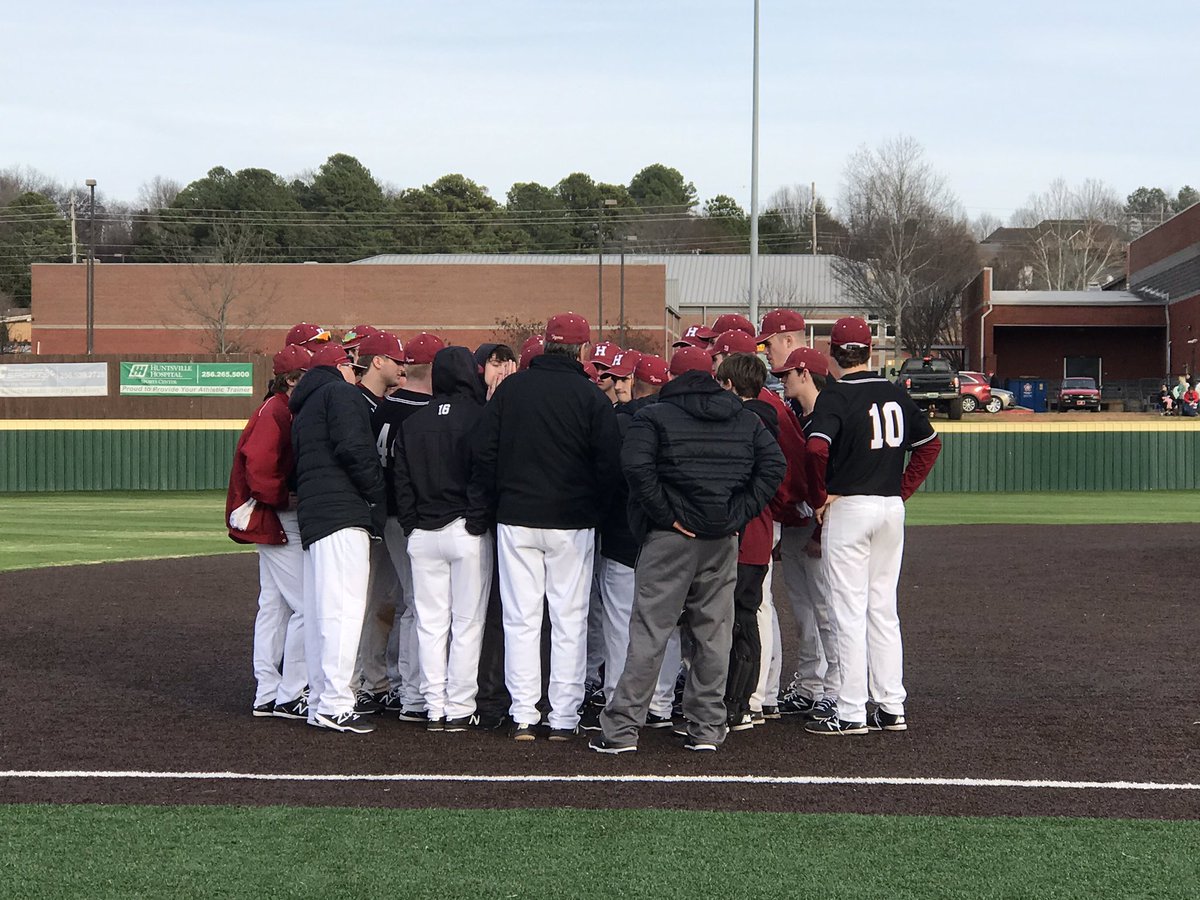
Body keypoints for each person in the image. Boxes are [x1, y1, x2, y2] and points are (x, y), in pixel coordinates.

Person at [591, 346, 786, 754]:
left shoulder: (653, 416)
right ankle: (707, 728)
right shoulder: (743, 417)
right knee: (713, 635)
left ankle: (623, 730)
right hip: (721, 539)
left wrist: (666, 513)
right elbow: (773, 467)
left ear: (669, 378)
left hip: (669, 538)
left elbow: (636, 468)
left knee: (649, 633)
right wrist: (736, 514)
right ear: (712, 378)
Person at [473, 312, 621, 741]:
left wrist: (498, 499)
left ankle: (524, 715)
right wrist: (595, 508)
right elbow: (609, 465)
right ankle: (563, 717)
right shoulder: (591, 397)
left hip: (516, 518)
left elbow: (484, 451)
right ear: (582, 350)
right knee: (569, 620)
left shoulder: (511, 390)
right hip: (571, 523)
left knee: (521, 619)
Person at [802, 317, 941, 736]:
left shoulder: (836, 395)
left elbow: (815, 448)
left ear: (832, 353)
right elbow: (930, 443)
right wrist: (901, 490)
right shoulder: (895, 392)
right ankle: (891, 705)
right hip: (888, 509)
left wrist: (818, 496)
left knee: (848, 610)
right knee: (882, 609)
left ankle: (849, 711)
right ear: (869, 352)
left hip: (850, 508)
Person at [394, 346, 492, 732]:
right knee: (466, 624)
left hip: (423, 535)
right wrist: (476, 520)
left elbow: (401, 481)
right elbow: (484, 476)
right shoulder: (479, 417)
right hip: (464, 532)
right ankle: (459, 707)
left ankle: (434, 706)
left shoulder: (414, 422)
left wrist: (411, 525)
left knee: (430, 625)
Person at [290, 342, 387, 734]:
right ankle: (334, 702)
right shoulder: (340, 393)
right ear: (342, 367)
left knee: (320, 613)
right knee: (343, 612)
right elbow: (354, 449)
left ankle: (320, 700)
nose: (356, 373)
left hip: (315, 515)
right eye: (352, 366)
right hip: (341, 513)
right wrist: (376, 492)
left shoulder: (305, 405)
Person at [227, 343, 312, 720]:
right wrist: (282, 496)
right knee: (307, 607)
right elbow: (258, 467)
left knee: (274, 607)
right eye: (308, 375)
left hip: (270, 517)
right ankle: (291, 692)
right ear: (292, 379)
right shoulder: (276, 410)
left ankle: (267, 690)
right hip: (273, 517)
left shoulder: (281, 408)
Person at [771, 346, 842, 722]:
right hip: (799, 526)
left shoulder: (831, 416)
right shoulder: (800, 415)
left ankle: (836, 688)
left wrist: (820, 529)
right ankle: (811, 684)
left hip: (823, 526)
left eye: (786, 374)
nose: (782, 379)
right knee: (802, 611)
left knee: (827, 610)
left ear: (804, 374)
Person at [713, 352, 782, 732]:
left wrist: (739, 511)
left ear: (729, 385)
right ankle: (745, 703)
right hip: (757, 532)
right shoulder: (768, 421)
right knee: (747, 618)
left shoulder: (746, 424)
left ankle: (737, 702)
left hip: (742, 534)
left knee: (736, 620)